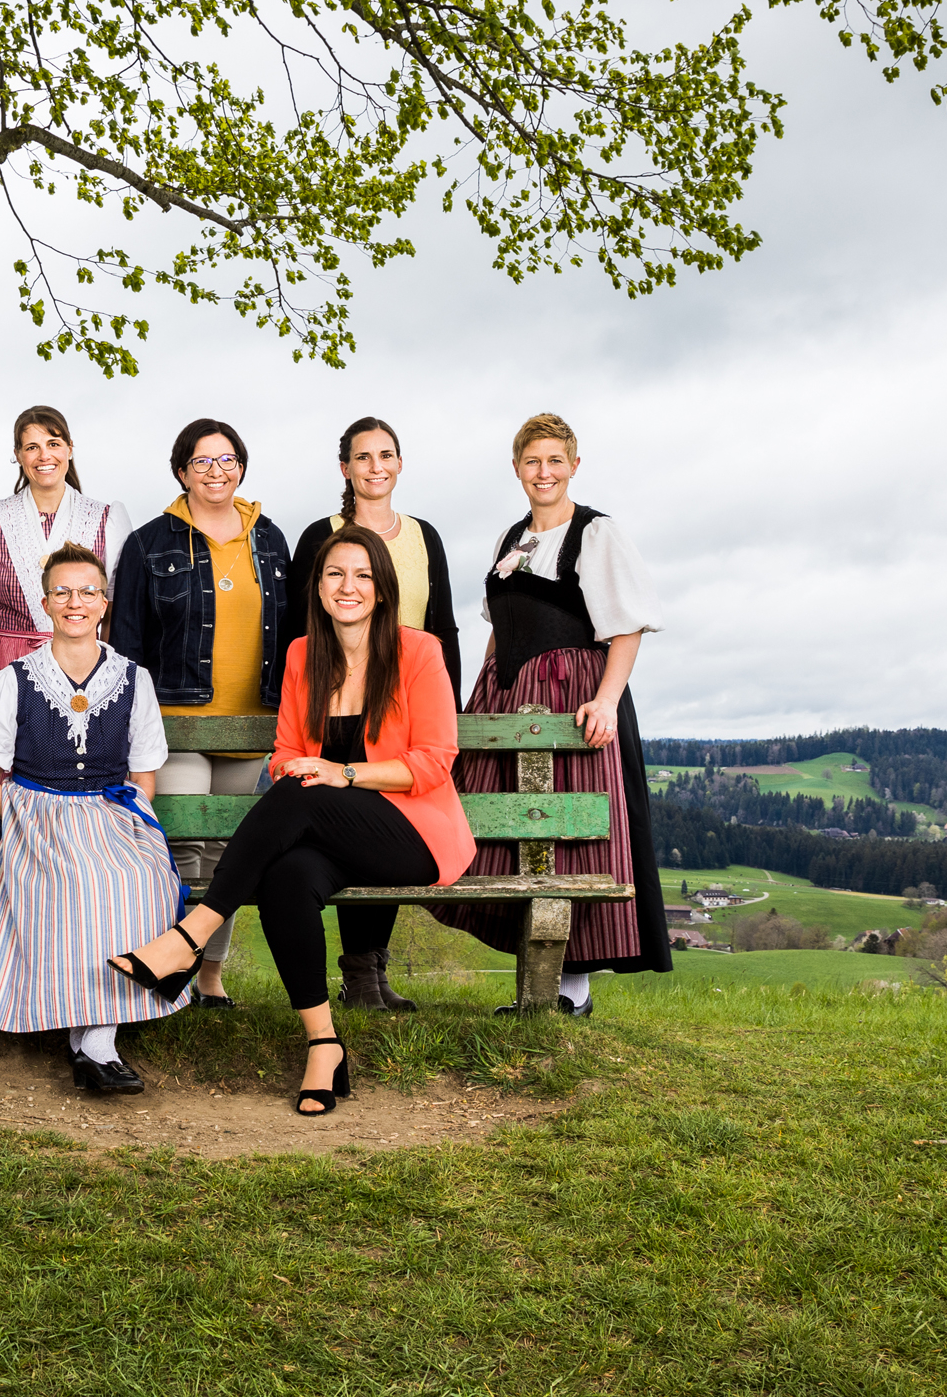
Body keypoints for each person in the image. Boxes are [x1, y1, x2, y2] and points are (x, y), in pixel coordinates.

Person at [110, 525, 472, 1115]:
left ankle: (190, 936)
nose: (347, 586)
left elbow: (434, 762)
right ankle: (324, 1044)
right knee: (286, 878)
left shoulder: (419, 651)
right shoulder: (305, 654)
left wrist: (343, 774)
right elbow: (283, 755)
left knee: (306, 791)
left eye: (361, 575)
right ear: (319, 588)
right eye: (334, 574)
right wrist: (314, 771)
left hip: (413, 833)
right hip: (331, 829)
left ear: (382, 588)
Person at [431, 413, 672, 1011]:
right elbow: (498, 632)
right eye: (532, 461)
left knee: (568, 837)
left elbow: (627, 627)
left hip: (573, 698)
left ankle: (570, 991)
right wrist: (476, 703)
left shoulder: (597, 533)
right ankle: (536, 978)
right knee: (507, 833)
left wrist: (607, 701)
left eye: (555, 461)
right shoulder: (510, 539)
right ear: (516, 469)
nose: (544, 472)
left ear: (574, 466)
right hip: (509, 697)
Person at [0, 542, 185, 1093]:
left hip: (112, 815)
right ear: (45, 603)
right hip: (33, 818)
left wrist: (112, 823)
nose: (75, 602)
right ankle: (93, 1045)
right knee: (76, 882)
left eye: (87, 591)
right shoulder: (11, 682)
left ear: (104, 603)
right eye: (63, 592)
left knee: (134, 877)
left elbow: (144, 778)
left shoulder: (135, 680)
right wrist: (41, 815)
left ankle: (94, 1042)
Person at [110, 418, 294, 1010]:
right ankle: (175, 973)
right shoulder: (147, 543)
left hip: (251, 724)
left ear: (240, 466)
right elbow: (129, 643)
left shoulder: (269, 538)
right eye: (202, 461)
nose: (216, 471)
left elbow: (289, 634)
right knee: (185, 847)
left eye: (227, 460)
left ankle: (209, 976)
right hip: (177, 723)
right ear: (182, 471)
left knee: (227, 855)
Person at [283, 416, 462, 1012]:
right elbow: (299, 621)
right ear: (345, 468)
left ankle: (369, 969)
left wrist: (443, 717)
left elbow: (442, 625)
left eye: (387, 455)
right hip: (336, 694)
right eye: (363, 456)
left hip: (404, 697)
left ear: (400, 464)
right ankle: (359, 973)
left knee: (382, 809)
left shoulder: (422, 535)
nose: (375, 466)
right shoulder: (321, 536)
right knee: (342, 818)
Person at [0, 405, 135, 697]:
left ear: (69, 449)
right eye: (31, 447)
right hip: (7, 667)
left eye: (53, 444)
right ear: (18, 455)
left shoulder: (106, 519)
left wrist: (105, 679)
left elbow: (113, 613)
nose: (44, 456)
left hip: (84, 668)